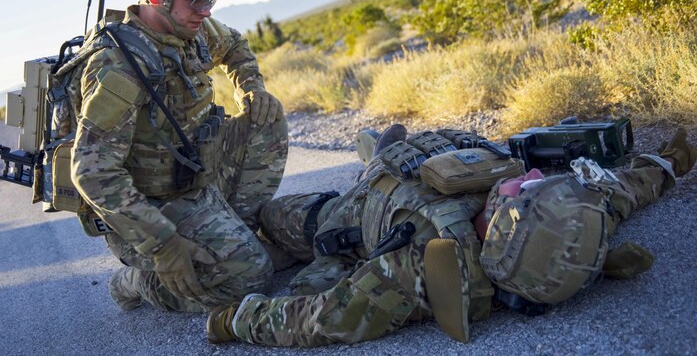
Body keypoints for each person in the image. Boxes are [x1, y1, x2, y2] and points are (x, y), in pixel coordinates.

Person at [206, 125, 696, 346]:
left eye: (524, 191)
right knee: (397, 154)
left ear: (506, 227)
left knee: (268, 217)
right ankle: (379, 153)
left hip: (346, 217)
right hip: (428, 168)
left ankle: (373, 161)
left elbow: (325, 318)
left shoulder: (423, 266)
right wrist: (668, 162)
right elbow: (621, 190)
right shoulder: (573, 223)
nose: (529, 178)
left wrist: (233, 320)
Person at [65, 0, 288, 312]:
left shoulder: (192, 29)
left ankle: (231, 234)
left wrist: (250, 87)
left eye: (211, 1)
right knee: (249, 279)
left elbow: (235, 45)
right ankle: (136, 281)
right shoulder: (119, 66)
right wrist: (164, 245)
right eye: (196, 0)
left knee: (267, 117)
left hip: (197, 179)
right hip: (150, 210)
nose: (206, 11)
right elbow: (92, 172)